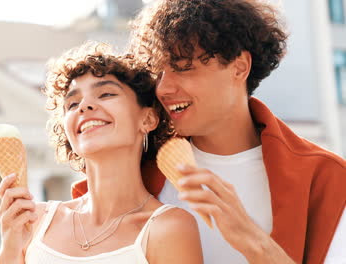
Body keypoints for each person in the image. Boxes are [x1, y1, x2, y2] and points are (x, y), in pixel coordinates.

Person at [72, 0, 346, 263]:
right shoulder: (137, 171)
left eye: (183, 68)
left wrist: (250, 238)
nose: (163, 88)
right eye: (159, 72)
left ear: (239, 68)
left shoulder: (328, 179)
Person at [0, 43, 203, 264]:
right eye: (73, 104)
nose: (84, 106)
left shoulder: (168, 227)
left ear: (148, 119)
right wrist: (10, 247)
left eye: (105, 94)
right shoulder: (34, 222)